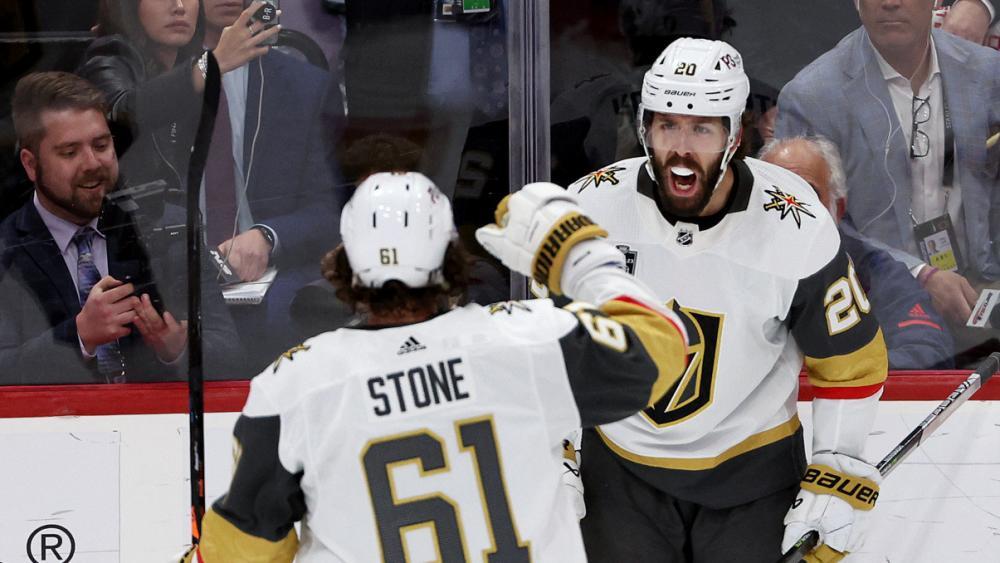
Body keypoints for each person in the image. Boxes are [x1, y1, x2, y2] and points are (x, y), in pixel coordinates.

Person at [182, 172, 690, 561]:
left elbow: (242, 550)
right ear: (452, 256)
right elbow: (663, 346)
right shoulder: (527, 341)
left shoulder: (297, 386)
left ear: (343, 264)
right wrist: (576, 254)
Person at [567, 38, 888, 562]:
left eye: (702, 128)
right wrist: (554, 449)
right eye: (667, 125)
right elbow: (552, 346)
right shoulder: (589, 210)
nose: (681, 147)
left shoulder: (795, 222)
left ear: (735, 134)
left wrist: (836, 473)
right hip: (620, 471)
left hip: (753, 476)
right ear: (645, 127)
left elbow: (850, 360)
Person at [0, 71, 240, 383]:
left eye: (101, 145)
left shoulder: (167, 227)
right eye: (70, 153)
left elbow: (232, 355)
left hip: (157, 424)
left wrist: (179, 349)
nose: (92, 164)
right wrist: (80, 337)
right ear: (31, 164)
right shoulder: (7, 249)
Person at [776, 0, 1000, 328]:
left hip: (982, 288)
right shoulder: (813, 97)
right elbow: (805, 222)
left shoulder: (986, 72)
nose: (890, 2)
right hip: (878, 305)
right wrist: (918, 274)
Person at [199, 0, 345, 371]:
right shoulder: (157, 85)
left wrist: (267, 236)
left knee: (290, 315)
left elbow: (330, 211)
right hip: (178, 268)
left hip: (270, 278)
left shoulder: (303, 87)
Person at [760, 135, 954, 369]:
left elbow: (928, 352)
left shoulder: (874, 271)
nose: (791, 211)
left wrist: (844, 377)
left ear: (837, 208)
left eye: (807, 195)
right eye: (775, 196)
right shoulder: (724, 263)